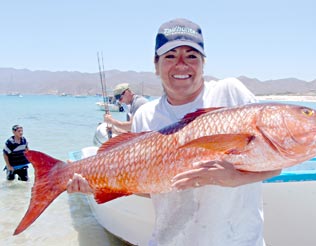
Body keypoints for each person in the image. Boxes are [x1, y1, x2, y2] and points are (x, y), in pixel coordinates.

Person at [68, 18, 281, 246]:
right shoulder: (145, 115)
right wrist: (100, 184)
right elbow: (151, 188)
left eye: (191, 56)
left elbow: (276, 163)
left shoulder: (230, 94)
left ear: (203, 63)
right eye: (170, 56)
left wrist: (234, 178)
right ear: (156, 64)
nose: (181, 64)